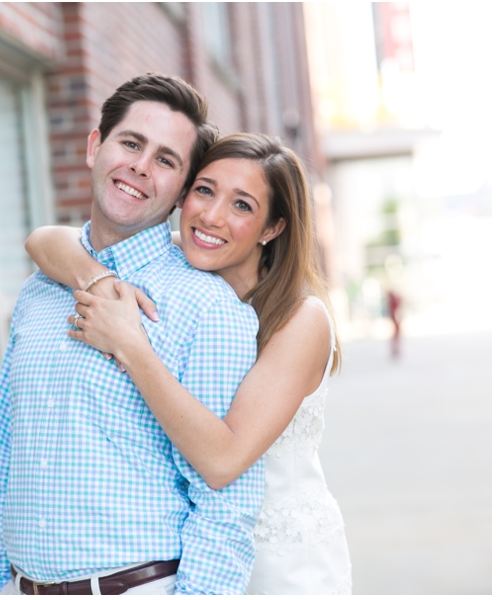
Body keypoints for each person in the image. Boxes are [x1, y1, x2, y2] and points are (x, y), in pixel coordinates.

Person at [25, 133, 352, 594]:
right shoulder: (182, 254)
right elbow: (46, 240)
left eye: (242, 206)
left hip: (280, 564)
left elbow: (223, 461)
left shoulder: (301, 319)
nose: (212, 215)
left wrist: (131, 346)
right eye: (205, 190)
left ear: (272, 228)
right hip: (192, 554)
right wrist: (99, 282)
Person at [0, 74, 264, 595]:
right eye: (131, 143)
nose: (139, 165)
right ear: (95, 146)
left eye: (165, 159)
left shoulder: (208, 309)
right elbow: (5, 449)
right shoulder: (40, 292)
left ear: (182, 191)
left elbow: (228, 503)